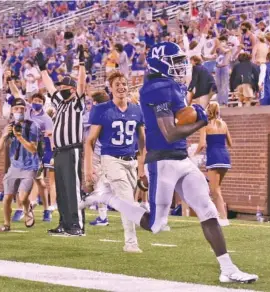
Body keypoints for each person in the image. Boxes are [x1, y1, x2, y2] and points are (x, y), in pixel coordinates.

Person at [80, 42, 258, 284]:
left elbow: (179, 124)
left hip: (181, 158)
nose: (180, 66)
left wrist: (195, 114)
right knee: (155, 224)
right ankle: (108, 197)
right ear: (160, 62)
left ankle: (227, 268)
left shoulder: (172, 85)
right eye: (175, 61)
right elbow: (170, 133)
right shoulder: (155, 88)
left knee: (207, 209)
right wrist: (201, 120)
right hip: (162, 161)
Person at [85, 71, 146, 253]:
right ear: (110, 89)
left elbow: (142, 141)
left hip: (131, 160)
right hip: (111, 159)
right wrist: (88, 167)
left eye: (124, 84)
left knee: (129, 199)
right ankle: (131, 243)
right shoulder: (102, 110)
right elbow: (90, 141)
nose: (121, 87)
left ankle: (103, 194)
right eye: (117, 84)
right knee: (127, 200)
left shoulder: (136, 110)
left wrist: (142, 168)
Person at [36, 44, 87, 237]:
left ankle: (77, 225)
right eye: (61, 87)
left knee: (73, 188)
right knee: (62, 188)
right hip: (59, 151)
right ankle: (64, 223)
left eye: (65, 87)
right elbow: (49, 86)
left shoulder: (77, 103)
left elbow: (82, 84)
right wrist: (42, 69)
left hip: (72, 149)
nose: (61, 90)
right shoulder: (59, 103)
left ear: (72, 90)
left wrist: (82, 64)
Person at [0, 98, 39, 232]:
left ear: (25, 110)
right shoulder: (9, 126)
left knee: (22, 197)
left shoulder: (32, 126)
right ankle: (6, 224)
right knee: (7, 196)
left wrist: (19, 137)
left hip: (30, 166)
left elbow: (33, 149)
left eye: (21, 109)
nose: (19, 111)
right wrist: (4, 136)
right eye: (16, 109)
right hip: (14, 166)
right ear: (12, 111)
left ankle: (27, 208)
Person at [195, 102, 232, 226]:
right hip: (225, 158)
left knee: (215, 190)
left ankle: (223, 217)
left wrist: (193, 155)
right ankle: (216, 214)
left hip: (214, 157)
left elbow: (202, 144)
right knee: (216, 189)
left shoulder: (205, 125)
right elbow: (230, 143)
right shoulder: (224, 124)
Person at [83, 91, 110, 226]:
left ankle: (103, 217)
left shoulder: (94, 115)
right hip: (110, 155)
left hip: (97, 154)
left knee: (97, 185)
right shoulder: (112, 113)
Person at [26, 92, 54, 222]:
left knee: (39, 181)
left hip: (40, 152)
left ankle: (40, 206)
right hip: (26, 152)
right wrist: (9, 81)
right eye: (35, 100)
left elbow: (51, 135)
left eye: (39, 101)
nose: (36, 103)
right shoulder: (27, 111)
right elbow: (16, 95)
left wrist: (53, 153)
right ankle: (32, 205)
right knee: (33, 180)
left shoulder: (46, 119)